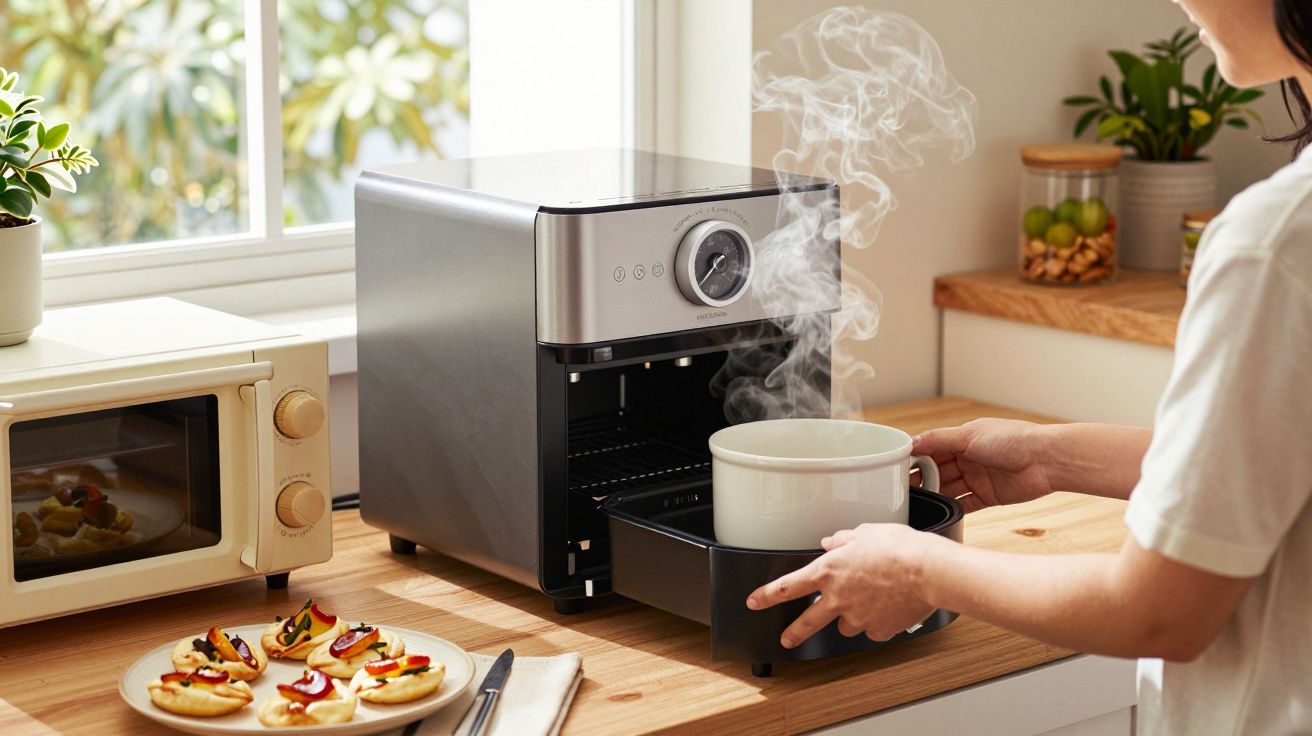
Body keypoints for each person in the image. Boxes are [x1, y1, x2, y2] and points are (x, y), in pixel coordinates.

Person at [746, 0, 1312, 733]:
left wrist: (920, 569)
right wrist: (1050, 458)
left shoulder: (1275, 244)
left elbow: (1156, 613)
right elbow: (1276, 464)